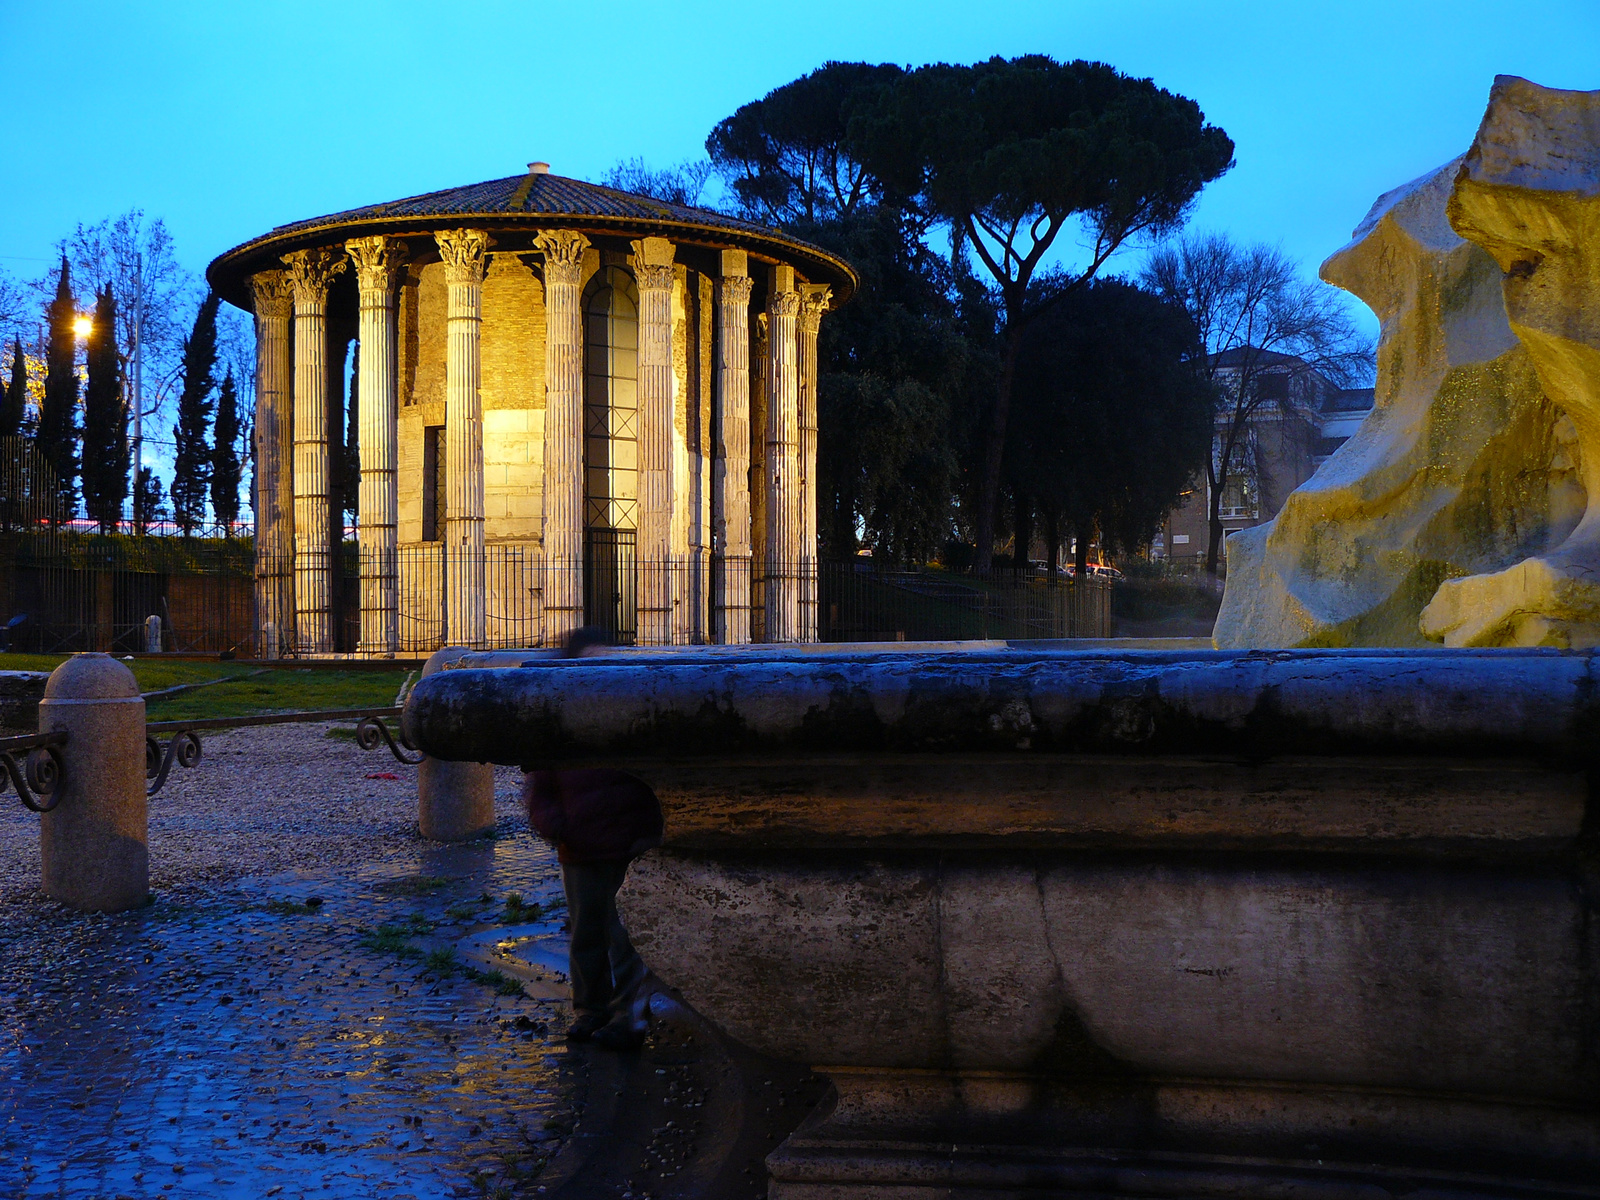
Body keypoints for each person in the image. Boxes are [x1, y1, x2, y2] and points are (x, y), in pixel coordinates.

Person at [522, 627, 663, 1051]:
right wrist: (553, 822)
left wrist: (647, 834)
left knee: (625, 938)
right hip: (581, 845)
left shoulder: (632, 715)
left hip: (625, 844)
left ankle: (627, 1016)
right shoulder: (558, 720)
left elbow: (651, 781)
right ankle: (589, 1011)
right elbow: (538, 784)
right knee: (587, 935)